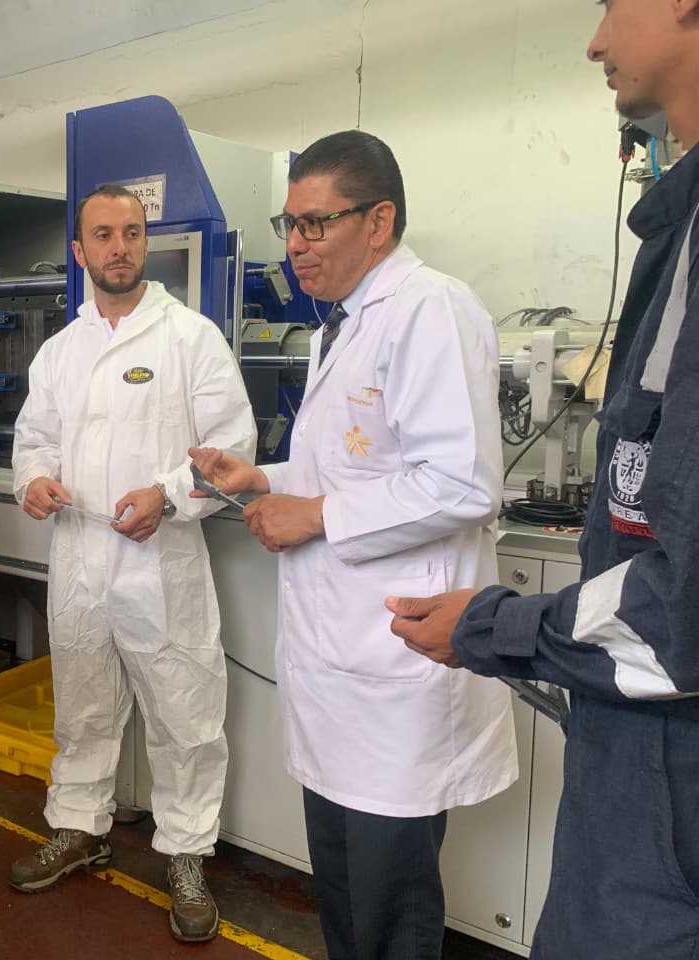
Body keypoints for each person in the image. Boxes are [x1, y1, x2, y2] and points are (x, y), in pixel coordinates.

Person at [388, 5, 699, 958]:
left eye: (610, 5)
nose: (596, 41)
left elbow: (676, 618)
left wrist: (490, 627)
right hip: (639, 780)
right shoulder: (678, 227)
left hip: (665, 809)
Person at [191, 131, 517, 960]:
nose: (296, 245)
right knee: (340, 889)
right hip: (340, 670)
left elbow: (462, 484)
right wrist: (262, 479)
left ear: (379, 221)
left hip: (395, 668)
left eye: (316, 223)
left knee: (388, 905)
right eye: (289, 225)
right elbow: (345, 468)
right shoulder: (338, 326)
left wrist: (315, 516)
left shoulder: (430, 309)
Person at [9, 184, 255, 943]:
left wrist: (168, 496)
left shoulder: (191, 338)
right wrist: (34, 480)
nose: (119, 248)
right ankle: (79, 826)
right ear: (79, 250)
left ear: (146, 242)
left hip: (160, 560)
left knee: (185, 714)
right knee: (82, 704)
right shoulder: (60, 351)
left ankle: (186, 854)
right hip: (80, 558)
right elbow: (33, 439)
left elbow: (231, 449)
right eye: (103, 235)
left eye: (132, 233)